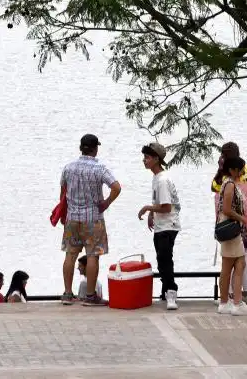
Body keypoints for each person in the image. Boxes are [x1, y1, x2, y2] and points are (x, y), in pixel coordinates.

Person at [59, 133, 122, 306]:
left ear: (81, 148)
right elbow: (116, 187)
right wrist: (107, 202)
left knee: (70, 254)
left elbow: (63, 192)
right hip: (93, 218)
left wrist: (65, 213)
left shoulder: (68, 167)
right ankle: (90, 296)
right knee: (93, 255)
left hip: (72, 218)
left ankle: (67, 293)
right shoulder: (99, 168)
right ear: (95, 149)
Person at [211, 142, 247, 305]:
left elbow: (214, 188)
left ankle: (229, 296)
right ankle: (245, 293)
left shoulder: (224, 178)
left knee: (230, 262)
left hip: (231, 223)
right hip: (245, 217)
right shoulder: (246, 170)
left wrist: (219, 169)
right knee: (242, 259)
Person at [137, 142, 180, 310]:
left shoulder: (162, 180)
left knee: (164, 259)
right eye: (144, 157)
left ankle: (171, 293)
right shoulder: (157, 178)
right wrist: (152, 213)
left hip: (168, 225)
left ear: (156, 159)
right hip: (163, 224)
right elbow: (160, 203)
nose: (144, 160)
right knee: (162, 259)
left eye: (147, 157)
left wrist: (148, 208)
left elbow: (167, 207)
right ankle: (166, 291)